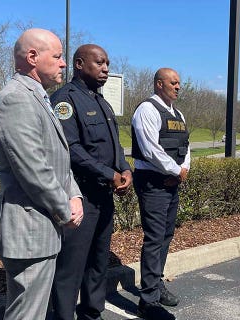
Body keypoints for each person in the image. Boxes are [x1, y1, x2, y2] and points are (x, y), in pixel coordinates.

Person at [0, 28, 84, 320]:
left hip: (41, 225)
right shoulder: (15, 99)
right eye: (57, 56)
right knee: (26, 314)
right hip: (28, 227)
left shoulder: (38, 97)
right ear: (32, 57)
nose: (63, 63)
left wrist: (75, 194)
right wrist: (63, 207)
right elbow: (32, 168)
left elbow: (58, 159)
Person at [50, 44, 132, 320]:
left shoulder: (101, 101)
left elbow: (115, 146)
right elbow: (70, 148)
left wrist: (125, 169)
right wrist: (108, 174)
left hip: (104, 196)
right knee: (71, 266)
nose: (106, 68)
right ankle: (63, 316)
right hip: (80, 196)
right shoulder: (65, 99)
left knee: (98, 261)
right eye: (99, 63)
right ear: (79, 64)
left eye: (107, 63)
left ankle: (92, 313)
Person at [131, 67, 190, 320]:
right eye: (173, 82)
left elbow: (185, 146)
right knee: (155, 238)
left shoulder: (177, 113)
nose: (178, 87)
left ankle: (155, 285)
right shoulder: (147, 110)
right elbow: (150, 149)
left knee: (165, 235)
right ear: (158, 84)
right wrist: (176, 170)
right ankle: (148, 301)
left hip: (172, 180)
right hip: (153, 182)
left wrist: (183, 168)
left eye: (179, 83)